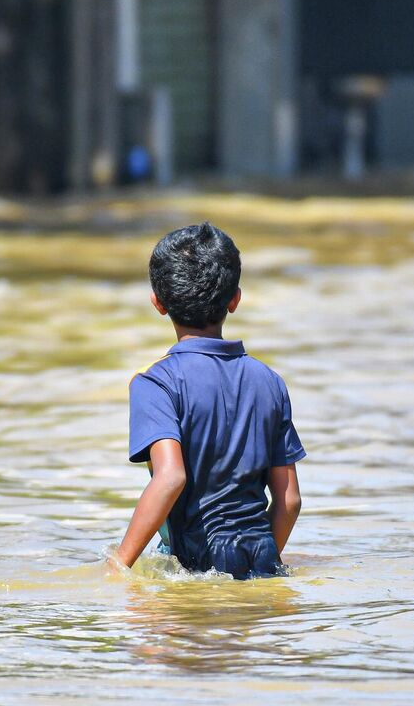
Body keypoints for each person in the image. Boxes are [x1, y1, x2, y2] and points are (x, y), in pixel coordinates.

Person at [110, 223, 304, 580]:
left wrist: (117, 565)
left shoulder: (156, 383)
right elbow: (289, 501)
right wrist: (262, 564)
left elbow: (170, 479)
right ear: (235, 299)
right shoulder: (270, 382)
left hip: (197, 563)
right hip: (262, 556)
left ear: (158, 303)